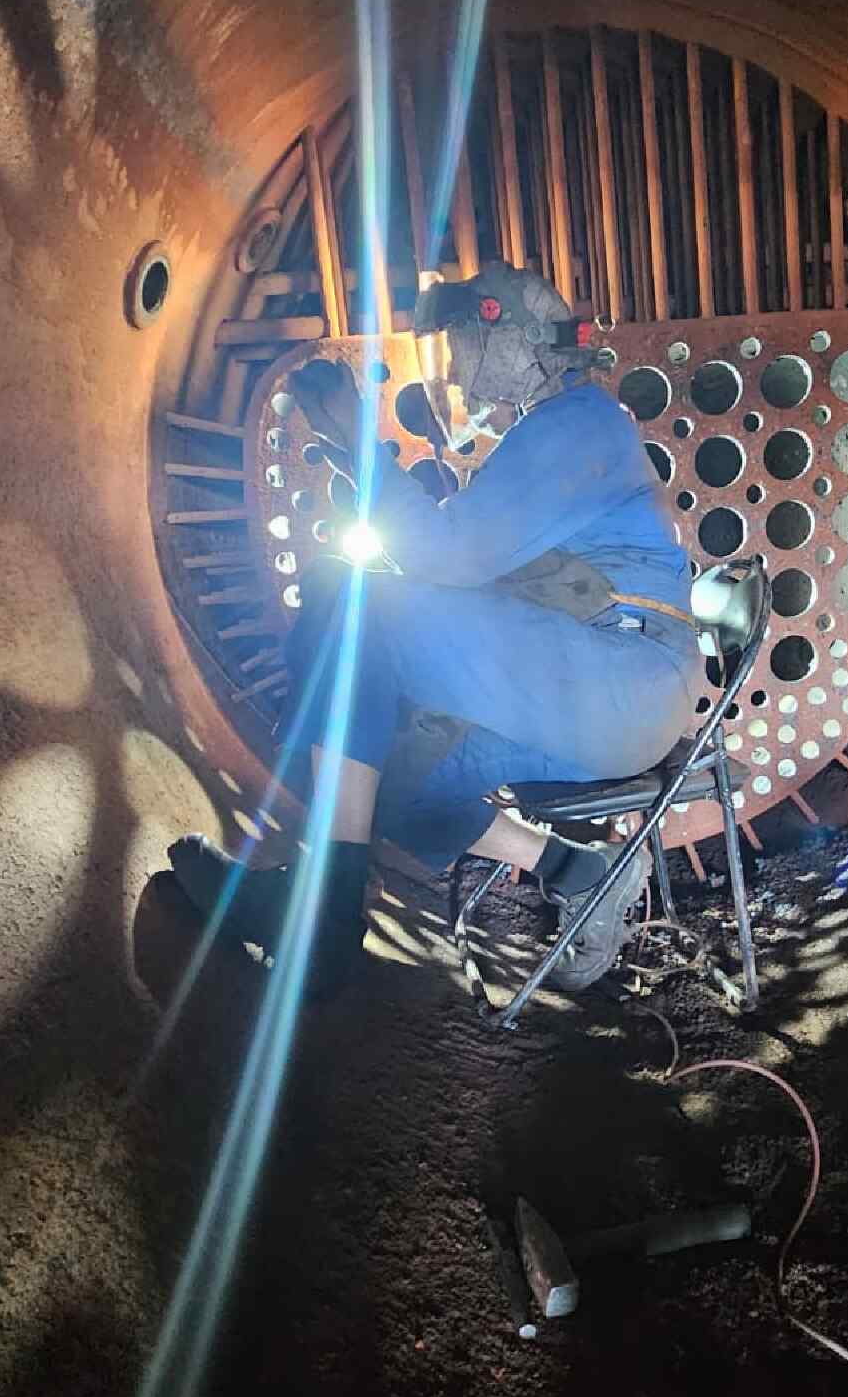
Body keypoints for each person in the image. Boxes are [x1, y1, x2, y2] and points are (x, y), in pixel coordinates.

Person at [168, 262, 705, 998]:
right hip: (604, 688)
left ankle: (321, 915)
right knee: (390, 782)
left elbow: (446, 558)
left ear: (506, 334)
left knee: (346, 597)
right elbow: (462, 568)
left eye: (459, 339)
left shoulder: (580, 420)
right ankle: (582, 870)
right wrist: (364, 465)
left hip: (620, 672)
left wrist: (359, 442)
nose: (452, 363)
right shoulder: (557, 431)